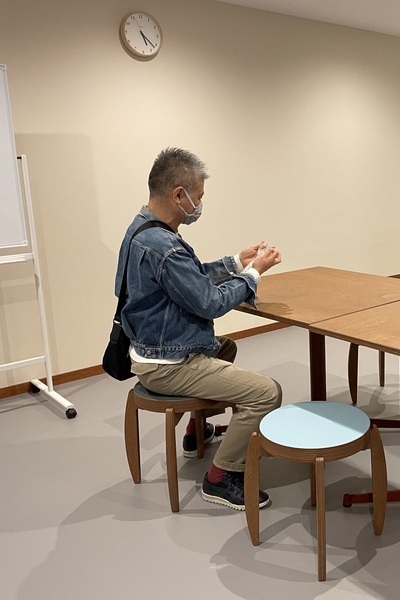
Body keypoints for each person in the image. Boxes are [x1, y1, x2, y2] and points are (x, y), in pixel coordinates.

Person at [115, 147, 283, 510]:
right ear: (179, 195)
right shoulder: (163, 244)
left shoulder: (141, 229)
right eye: (199, 196)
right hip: (167, 365)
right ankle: (221, 476)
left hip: (149, 348)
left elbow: (187, 280)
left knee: (226, 347)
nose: (200, 205)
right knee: (267, 393)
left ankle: (196, 432)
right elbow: (209, 303)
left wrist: (235, 263)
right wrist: (254, 274)